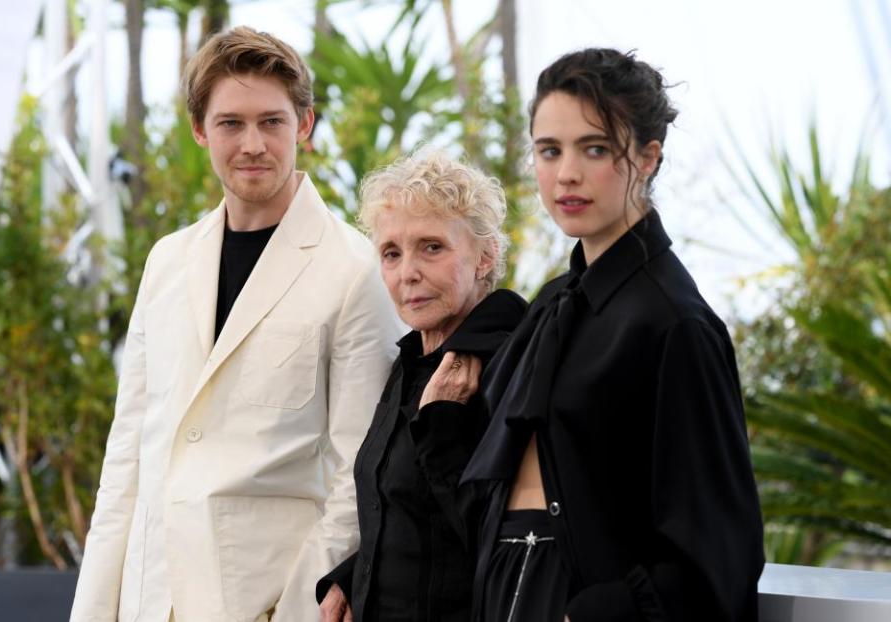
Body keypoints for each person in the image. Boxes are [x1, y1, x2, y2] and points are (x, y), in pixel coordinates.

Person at [69, 27, 403, 622]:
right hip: (151, 598)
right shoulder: (167, 260)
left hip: (265, 600)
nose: (253, 144)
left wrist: (301, 606)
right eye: (230, 123)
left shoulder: (354, 269)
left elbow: (359, 472)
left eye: (271, 121)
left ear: (304, 125)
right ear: (200, 130)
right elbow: (127, 457)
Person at [461, 48, 765, 621]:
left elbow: (720, 547)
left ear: (648, 157)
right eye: (549, 150)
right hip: (504, 591)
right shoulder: (551, 305)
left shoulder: (675, 322)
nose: (566, 174)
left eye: (594, 148)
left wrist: (593, 614)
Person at [315, 151, 527, 622]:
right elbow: (409, 517)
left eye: (432, 247)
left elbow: (505, 541)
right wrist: (351, 581)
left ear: (485, 255)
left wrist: (443, 424)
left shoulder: (507, 363)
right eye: (391, 253)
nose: (407, 272)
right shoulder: (413, 361)